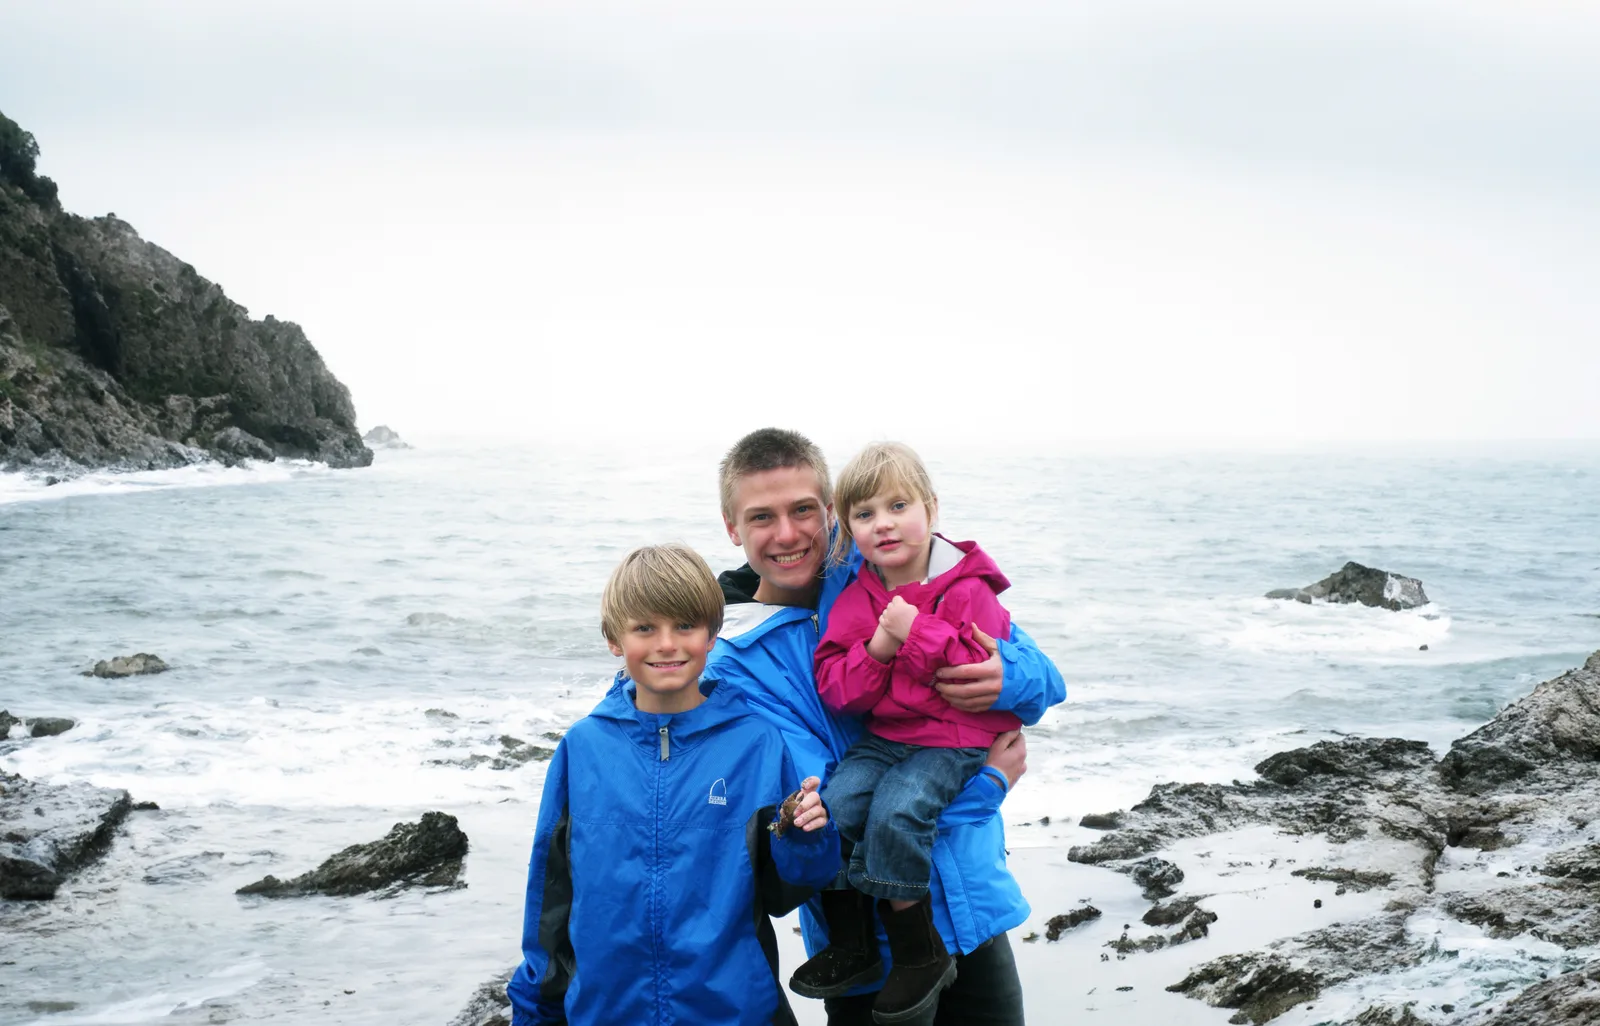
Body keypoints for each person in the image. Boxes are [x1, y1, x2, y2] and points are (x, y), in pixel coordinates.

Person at [706, 428, 1066, 1026]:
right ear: (731, 526)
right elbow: (820, 809)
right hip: (867, 950)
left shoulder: (893, 580)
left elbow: (1044, 678)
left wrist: (1008, 681)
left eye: (802, 511)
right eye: (762, 517)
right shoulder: (735, 664)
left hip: (970, 906)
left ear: (830, 513)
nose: (789, 534)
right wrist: (987, 790)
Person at [506, 543, 841, 1026]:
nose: (667, 644)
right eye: (645, 628)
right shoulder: (582, 748)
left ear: (712, 634)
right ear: (614, 639)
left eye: (685, 625)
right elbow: (550, 897)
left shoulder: (756, 744)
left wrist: (808, 833)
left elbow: (787, 891)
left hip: (733, 1010)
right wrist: (533, 1008)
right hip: (607, 1011)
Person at [800, 441, 1023, 1023]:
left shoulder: (968, 586)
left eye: (899, 505)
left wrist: (916, 629)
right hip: (891, 735)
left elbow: (983, 661)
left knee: (897, 810)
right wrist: (879, 644)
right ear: (847, 528)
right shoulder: (856, 598)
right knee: (836, 806)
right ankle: (850, 942)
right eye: (866, 514)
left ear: (931, 507)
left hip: (954, 735)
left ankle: (915, 949)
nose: (885, 523)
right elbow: (838, 688)